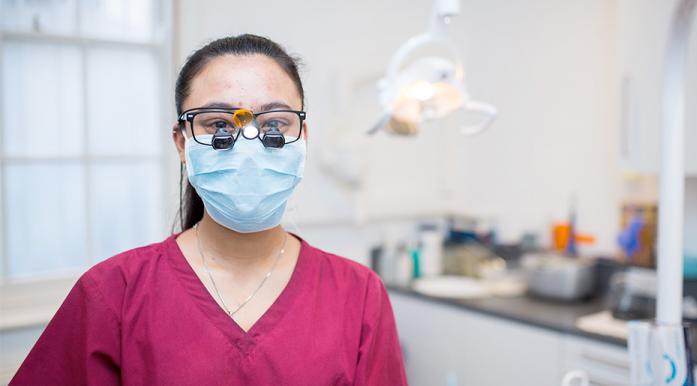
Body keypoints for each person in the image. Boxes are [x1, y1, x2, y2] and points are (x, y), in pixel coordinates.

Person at [10, 34, 408, 386]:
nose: (248, 145)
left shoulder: (357, 295)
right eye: (218, 124)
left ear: (303, 136)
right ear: (181, 144)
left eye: (274, 124)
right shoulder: (114, 293)